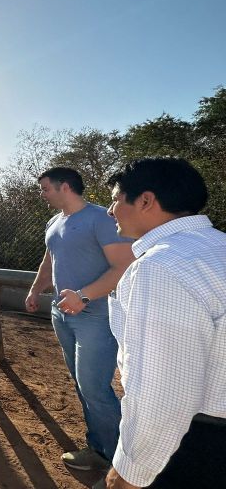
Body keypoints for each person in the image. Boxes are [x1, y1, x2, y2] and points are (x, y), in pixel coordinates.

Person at [100, 158, 226, 489]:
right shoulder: (217, 248)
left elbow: (163, 391)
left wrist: (129, 471)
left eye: (115, 199)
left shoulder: (161, 267)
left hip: (199, 442)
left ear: (145, 201)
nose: (110, 210)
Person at [25, 167, 134, 471]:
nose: (42, 194)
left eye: (45, 188)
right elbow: (50, 260)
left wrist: (84, 295)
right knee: (82, 385)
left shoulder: (101, 218)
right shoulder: (54, 222)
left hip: (95, 318)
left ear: (65, 187)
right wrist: (36, 289)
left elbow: (124, 266)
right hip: (62, 314)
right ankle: (99, 449)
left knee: (95, 390)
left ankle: (123, 466)